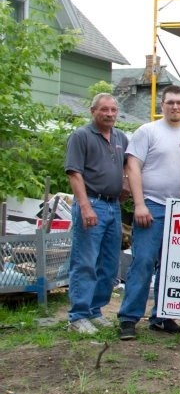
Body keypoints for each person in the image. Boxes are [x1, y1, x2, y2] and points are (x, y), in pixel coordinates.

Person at [117, 86, 180, 340]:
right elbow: (133, 167)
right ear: (162, 104)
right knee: (143, 262)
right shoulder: (147, 132)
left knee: (171, 267)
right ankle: (128, 318)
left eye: (179, 103)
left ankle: (162, 316)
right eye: (170, 102)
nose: (175, 107)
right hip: (152, 206)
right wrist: (140, 204)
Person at [65, 93, 129, 334]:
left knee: (109, 262)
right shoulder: (81, 136)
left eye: (113, 110)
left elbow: (127, 166)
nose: (110, 114)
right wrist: (85, 207)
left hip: (113, 206)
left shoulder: (120, 137)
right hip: (92, 203)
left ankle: (96, 309)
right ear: (93, 111)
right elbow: (74, 173)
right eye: (104, 110)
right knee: (85, 260)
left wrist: (125, 183)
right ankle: (78, 315)